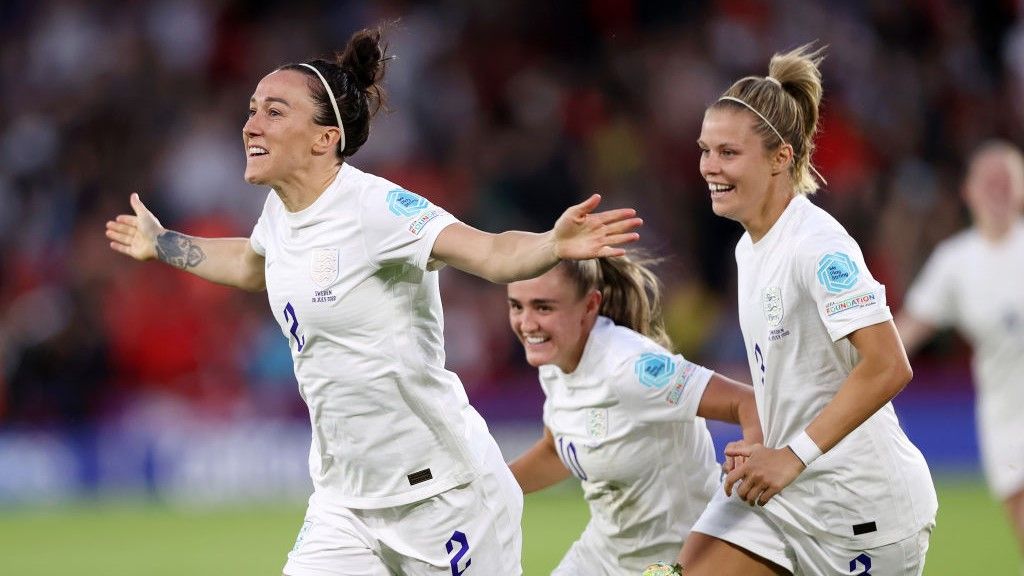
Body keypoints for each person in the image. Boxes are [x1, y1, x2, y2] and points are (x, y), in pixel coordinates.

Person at [104, 25, 642, 576]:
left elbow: (486, 252)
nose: (250, 125)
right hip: (345, 501)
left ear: (324, 138)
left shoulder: (375, 208)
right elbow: (251, 264)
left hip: (445, 496)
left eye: (274, 111)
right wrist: (164, 243)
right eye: (251, 109)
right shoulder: (281, 212)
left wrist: (553, 243)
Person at [678, 45, 937, 576]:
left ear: (781, 158)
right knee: (690, 565)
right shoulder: (749, 247)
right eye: (705, 150)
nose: (709, 167)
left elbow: (889, 365)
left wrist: (790, 455)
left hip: (863, 515)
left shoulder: (817, 245)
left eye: (728, 153)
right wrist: (760, 442)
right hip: (788, 500)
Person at [506, 255, 762, 575]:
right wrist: (487, 488)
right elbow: (558, 450)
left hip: (678, 561)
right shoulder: (556, 359)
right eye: (517, 306)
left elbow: (748, 403)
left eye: (544, 308)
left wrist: (755, 461)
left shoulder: (630, 367)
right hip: (602, 556)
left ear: (589, 306)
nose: (527, 324)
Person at [896, 140, 1024, 560]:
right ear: (968, 191)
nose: (997, 189)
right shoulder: (956, 261)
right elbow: (907, 330)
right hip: (1005, 416)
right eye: (988, 180)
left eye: (1006, 179)